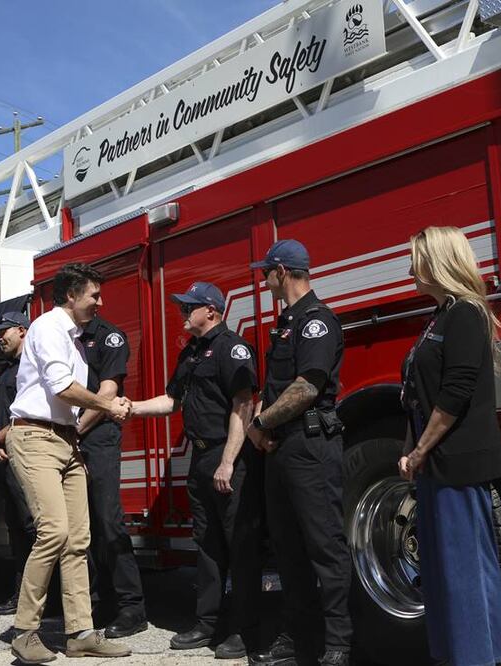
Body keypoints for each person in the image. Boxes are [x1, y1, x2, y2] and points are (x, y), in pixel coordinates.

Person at [397, 226, 501, 666]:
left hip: (456, 462)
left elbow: (456, 391)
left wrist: (422, 448)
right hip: (435, 463)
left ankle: (475, 657)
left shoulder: (465, 313)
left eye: (416, 259)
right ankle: (465, 655)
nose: (410, 269)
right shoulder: (440, 316)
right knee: (446, 571)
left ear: (437, 262)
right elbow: (417, 393)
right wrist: (412, 447)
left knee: (464, 571)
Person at [6, 261, 132, 663]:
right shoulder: (47, 328)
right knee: (55, 533)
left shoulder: (74, 337)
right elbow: (62, 387)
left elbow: (71, 396)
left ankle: (80, 633)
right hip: (35, 436)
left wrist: (103, 406)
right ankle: (26, 631)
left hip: (65, 440)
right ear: (70, 296)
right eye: (93, 294)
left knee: (78, 539)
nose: (100, 301)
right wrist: (107, 404)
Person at [130, 281, 262, 659]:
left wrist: (227, 462)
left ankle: (244, 630)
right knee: (206, 546)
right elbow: (172, 400)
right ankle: (208, 623)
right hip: (201, 460)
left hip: (227, 458)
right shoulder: (191, 352)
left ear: (212, 311)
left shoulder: (231, 347)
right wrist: (130, 407)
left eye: (189, 307)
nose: (182, 313)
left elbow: (243, 405)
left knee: (241, 548)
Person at [244, 240, 352, 666]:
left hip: (310, 447)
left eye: (265, 271)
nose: (262, 278)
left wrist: (259, 424)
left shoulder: (316, 322)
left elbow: (307, 387)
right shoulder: (287, 322)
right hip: (281, 449)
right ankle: (299, 640)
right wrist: (264, 426)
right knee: (288, 551)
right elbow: (276, 389)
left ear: (282, 272)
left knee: (325, 547)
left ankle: (339, 644)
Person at [76, 314, 148, 638]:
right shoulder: (65, 335)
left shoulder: (109, 336)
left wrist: (74, 432)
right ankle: (101, 602)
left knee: (108, 520)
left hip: (98, 436)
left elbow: (107, 394)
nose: (100, 302)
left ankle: (132, 607)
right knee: (84, 526)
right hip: (72, 439)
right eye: (93, 294)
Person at [0, 311, 36, 616]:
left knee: (34, 528)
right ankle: (21, 595)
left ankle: (44, 598)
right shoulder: (7, 372)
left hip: (27, 454)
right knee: (17, 529)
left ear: (22, 329)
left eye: (4, 331)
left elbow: (29, 413)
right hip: (6, 457)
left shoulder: (32, 365)